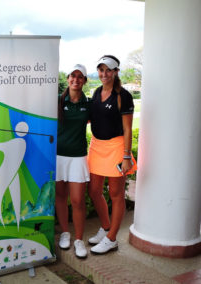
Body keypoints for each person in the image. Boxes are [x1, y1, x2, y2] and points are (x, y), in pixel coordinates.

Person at [87, 55, 137, 254]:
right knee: (94, 190)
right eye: (101, 70)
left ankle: (112, 238)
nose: (104, 74)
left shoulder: (123, 96)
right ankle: (106, 227)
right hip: (96, 147)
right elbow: (91, 119)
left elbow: (127, 129)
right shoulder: (96, 91)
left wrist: (126, 156)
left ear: (116, 71)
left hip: (116, 148)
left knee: (116, 195)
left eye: (108, 70)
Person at [56, 64, 91, 259]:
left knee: (77, 200)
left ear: (85, 81)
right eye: (73, 76)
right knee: (60, 197)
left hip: (78, 157)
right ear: (68, 78)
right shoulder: (58, 101)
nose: (76, 79)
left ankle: (78, 240)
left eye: (80, 77)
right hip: (58, 156)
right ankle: (65, 233)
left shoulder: (89, 104)